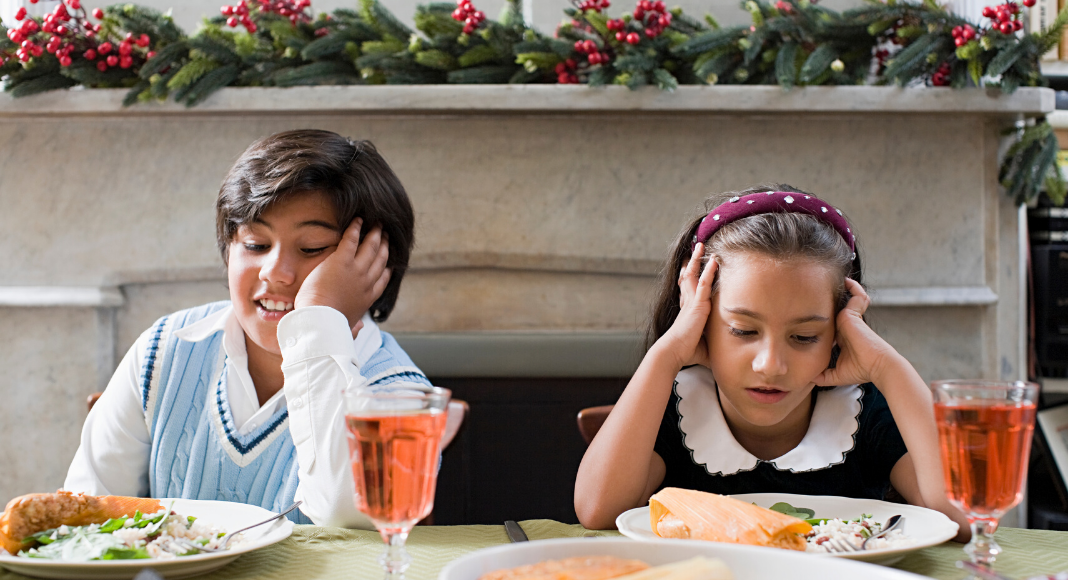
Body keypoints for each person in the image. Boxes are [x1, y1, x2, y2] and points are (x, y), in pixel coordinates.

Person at [64, 129, 431, 528]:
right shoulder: (166, 348)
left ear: (375, 262)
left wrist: (320, 317)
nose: (274, 271)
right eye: (256, 244)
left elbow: (346, 514)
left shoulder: (401, 394)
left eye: (311, 248)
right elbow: (86, 513)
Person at [573, 185, 969, 540]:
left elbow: (962, 518)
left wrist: (887, 367)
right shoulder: (674, 407)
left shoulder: (863, 412)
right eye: (743, 331)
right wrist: (668, 352)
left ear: (837, 335)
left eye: (804, 337)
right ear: (703, 322)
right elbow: (598, 510)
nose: (770, 365)